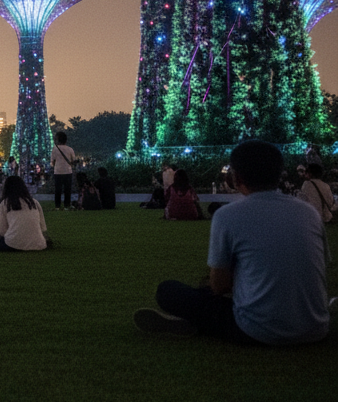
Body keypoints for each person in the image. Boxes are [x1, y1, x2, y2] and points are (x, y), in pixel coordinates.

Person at [134, 139, 330, 344]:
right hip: (316, 327)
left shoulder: (228, 215)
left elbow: (219, 286)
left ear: (236, 177)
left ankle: (194, 322)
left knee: (168, 291)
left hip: (258, 328)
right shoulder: (308, 213)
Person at [50, 131, 75, 210]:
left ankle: (57, 206)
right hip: (68, 171)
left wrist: (54, 165)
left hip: (58, 171)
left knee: (58, 190)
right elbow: (73, 160)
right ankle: (66, 205)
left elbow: (52, 161)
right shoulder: (70, 149)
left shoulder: (55, 149)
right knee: (67, 189)